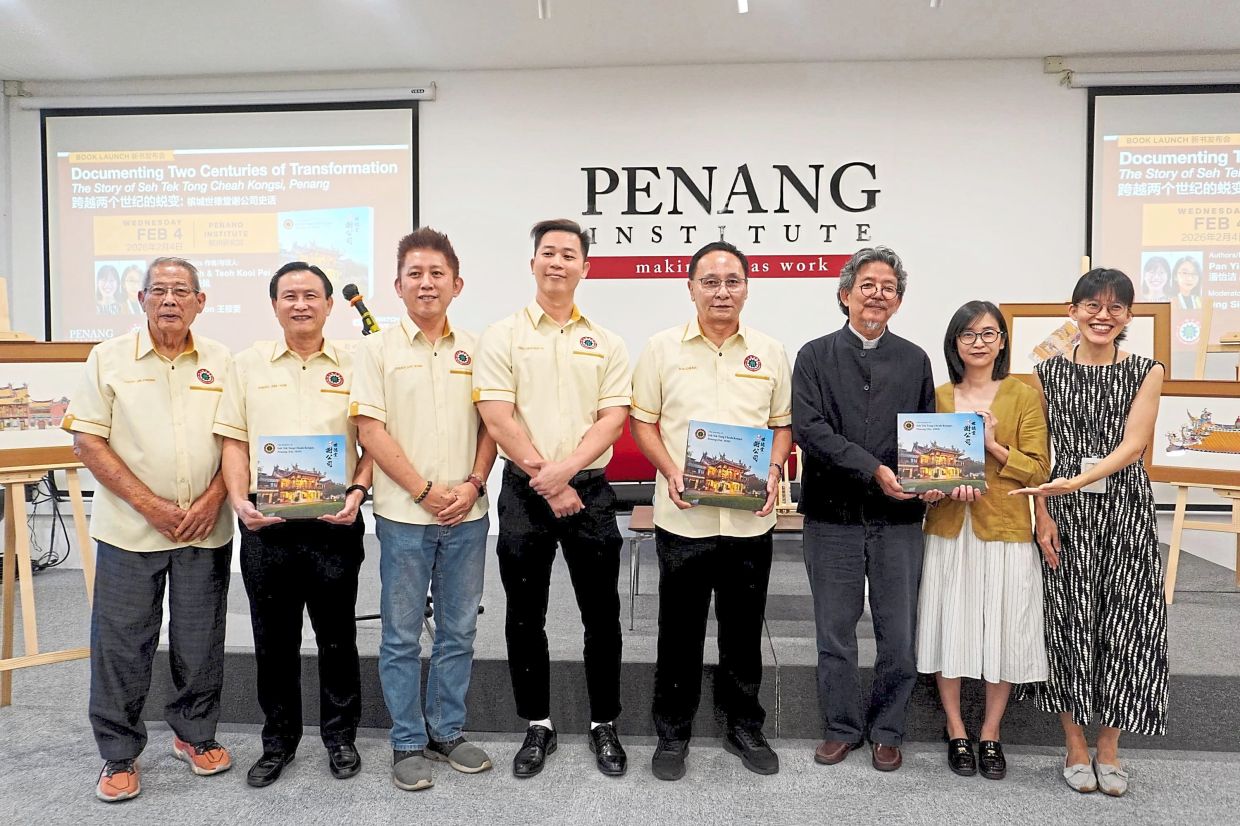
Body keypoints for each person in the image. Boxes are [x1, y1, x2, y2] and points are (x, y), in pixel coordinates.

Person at [62, 257, 234, 803]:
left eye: (181, 291)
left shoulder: (223, 361)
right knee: (122, 642)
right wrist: (151, 506)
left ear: (200, 302)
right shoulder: (107, 358)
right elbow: (89, 442)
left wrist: (211, 499)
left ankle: (195, 735)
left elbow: (238, 439)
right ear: (140, 300)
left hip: (203, 527)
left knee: (199, 639)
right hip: (129, 530)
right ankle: (118, 753)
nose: (169, 300)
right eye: (158, 290)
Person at [474, 218, 631, 778]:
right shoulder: (502, 335)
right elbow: (497, 415)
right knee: (524, 616)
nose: (557, 262)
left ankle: (603, 723)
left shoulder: (606, 342)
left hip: (588, 491)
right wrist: (547, 478)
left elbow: (613, 420)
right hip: (524, 491)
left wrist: (566, 476)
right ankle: (536, 724)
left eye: (569, 254)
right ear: (533, 263)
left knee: (602, 616)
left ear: (585, 268)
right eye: (548, 253)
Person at [630, 241, 793, 781]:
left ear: (747, 286)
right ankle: (672, 733)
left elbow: (781, 425)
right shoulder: (660, 348)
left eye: (733, 281)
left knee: (744, 632)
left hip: (749, 520)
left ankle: (744, 726)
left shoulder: (770, 351)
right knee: (678, 632)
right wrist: (671, 470)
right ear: (691, 287)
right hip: (684, 518)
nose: (722, 291)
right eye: (710, 281)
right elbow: (644, 423)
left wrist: (771, 471)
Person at [213, 261, 373, 788]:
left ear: (329, 304)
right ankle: (277, 741)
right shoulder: (247, 364)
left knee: (337, 636)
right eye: (288, 296)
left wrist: (358, 490)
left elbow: (375, 440)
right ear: (274, 305)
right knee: (273, 640)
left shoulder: (358, 362)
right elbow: (233, 440)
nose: (300, 304)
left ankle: (340, 737)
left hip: (335, 522)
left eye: (311, 295)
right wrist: (239, 498)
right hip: (268, 525)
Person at [350, 228, 498, 791]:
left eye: (437, 273)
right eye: (415, 273)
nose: (426, 283)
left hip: (468, 513)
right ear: (397, 285)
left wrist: (474, 483)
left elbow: (493, 423)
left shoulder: (479, 348)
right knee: (401, 636)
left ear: (456, 284)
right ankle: (407, 740)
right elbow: (370, 428)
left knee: (459, 631)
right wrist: (422, 491)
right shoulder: (374, 350)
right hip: (404, 517)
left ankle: (447, 730)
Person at [1013, 268, 1167, 798]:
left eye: (1115, 307)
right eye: (1092, 305)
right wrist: (1045, 513)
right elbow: (1042, 453)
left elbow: (1133, 446)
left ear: (1128, 315)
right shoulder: (1045, 373)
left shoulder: (1148, 370)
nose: (1103, 316)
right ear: (1073, 310)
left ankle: (1110, 748)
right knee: (1066, 623)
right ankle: (1074, 745)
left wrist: (1071, 482)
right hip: (1064, 513)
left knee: (1126, 622)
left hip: (1125, 510)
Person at [791, 245, 935, 773]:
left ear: (898, 303)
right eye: (868, 285)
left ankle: (889, 729)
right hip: (831, 516)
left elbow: (924, 433)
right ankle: (842, 727)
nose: (878, 295)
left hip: (898, 520)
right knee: (834, 630)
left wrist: (929, 479)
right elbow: (810, 430)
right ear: (845, 294)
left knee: (898, 633)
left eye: (889, 288)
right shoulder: (813, 355)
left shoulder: (915, 359)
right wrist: (875, 470)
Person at [915, 300, 1050, 781]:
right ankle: (955, 729)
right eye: (968, 335)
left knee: (1005, 627)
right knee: (947, 622)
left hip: (1007, 528)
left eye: (988, 334)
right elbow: (923, 469)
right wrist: (929, 490)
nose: (978, 343)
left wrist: (993, 446)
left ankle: (990, 732)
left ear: (1002, 342)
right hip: (950, 528)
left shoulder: (1022, 395)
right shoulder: (939, 396)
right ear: (955, 343)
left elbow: (1038, 469)